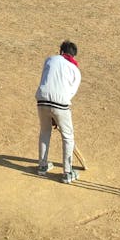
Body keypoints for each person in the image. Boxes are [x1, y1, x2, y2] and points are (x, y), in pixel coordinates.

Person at [35, 41, 82, 184]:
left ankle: (42, 166)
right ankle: (67, 172)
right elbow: (71, 92)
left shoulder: (50, 59)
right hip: (61, 103)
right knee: (68, 136)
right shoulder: (75, 70)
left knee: (44, 132)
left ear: (61, 51)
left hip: (42, 99)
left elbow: (46, 79)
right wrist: (58, 113)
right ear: (73, 55)